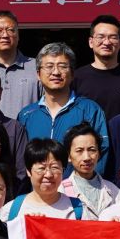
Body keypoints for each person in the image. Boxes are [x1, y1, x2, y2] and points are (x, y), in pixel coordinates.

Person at [16, 42, 110, 176]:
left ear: (72, 74)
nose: (56, 72)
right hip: (38, 188)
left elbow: (102, 152)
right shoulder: (26, 114)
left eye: (63, 66)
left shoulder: (90, 110)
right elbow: (21, 159)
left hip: (79, 188)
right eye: (49, 66)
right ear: (38, 74)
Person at [6, 138, 84, 220]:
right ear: (28, 171)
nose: (48, 175)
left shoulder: (78, 210)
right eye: (41, 168)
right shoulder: (10, 211)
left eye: (55, 167)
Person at [74, 15, 120, 118]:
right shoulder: (76, 77)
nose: (106, 42)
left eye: (113, 37)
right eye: (101, 37)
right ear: (91, 42)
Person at [63, 123, 120, 216]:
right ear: (69, 156)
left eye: (92, 150)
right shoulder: (60, 192)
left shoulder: (115, 192)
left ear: (99, 154)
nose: (87, 157)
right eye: (79, 151)